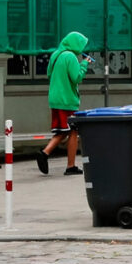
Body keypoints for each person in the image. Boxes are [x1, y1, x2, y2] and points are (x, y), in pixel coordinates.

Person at [36, 30, 89, 175]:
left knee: (63, 130)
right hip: (67, 100)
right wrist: (84, 64)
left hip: (55, 98)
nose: (82, 49)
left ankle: (50, 155)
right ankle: (53, 157)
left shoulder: (56, 54)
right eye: (81, 45)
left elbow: (48, 74)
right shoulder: (70, 57)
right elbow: (76, 78)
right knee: (71, 131)